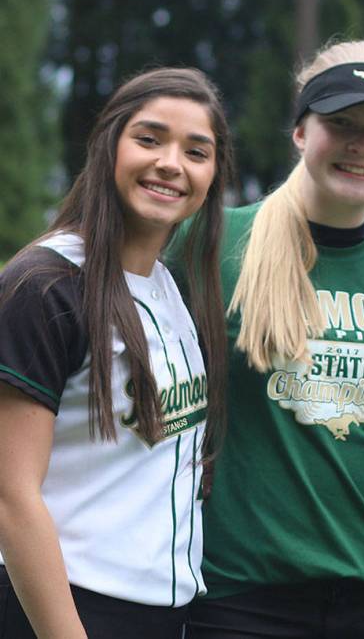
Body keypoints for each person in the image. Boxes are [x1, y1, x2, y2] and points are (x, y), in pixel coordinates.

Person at [184, 40, 364, 639]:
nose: (362, 145)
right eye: (342, 123)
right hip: (239, 597)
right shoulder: (211, 242)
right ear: (300, 131)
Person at [0, 67, 232, 639]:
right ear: (109, 147)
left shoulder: (171, 287)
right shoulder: (46, 286)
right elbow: (10, 495)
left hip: (162, 610)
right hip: (61, 607)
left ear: (213, 174)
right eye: (149, 139)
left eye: (196, 151)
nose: (171, 163)